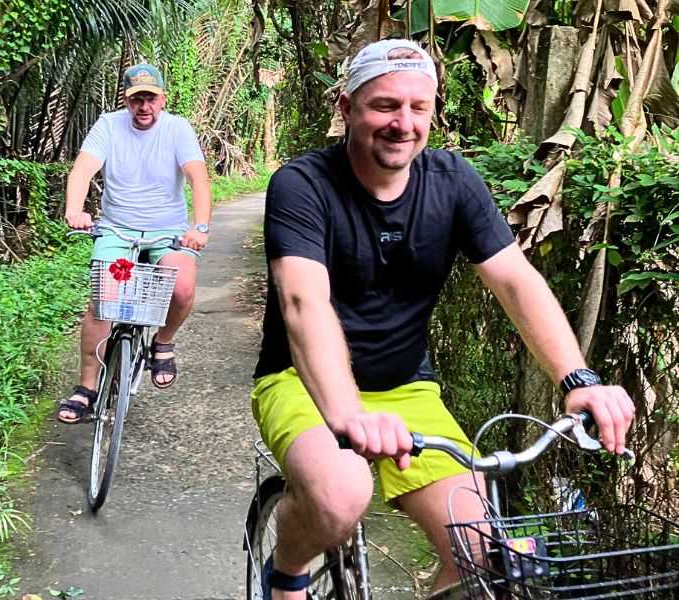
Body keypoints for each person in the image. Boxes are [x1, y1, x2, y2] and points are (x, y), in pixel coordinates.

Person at [250, 39, 635, 599]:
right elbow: (303, 301)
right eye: (384, 105)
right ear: (347, 106)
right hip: (301, 384)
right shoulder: (303, 185)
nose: (402, 123)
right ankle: (286, 571)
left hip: (407, 388)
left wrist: (578, 379)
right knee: (339, 494)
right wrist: (348, 411)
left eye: (418, 107)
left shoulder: (453, 181)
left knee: (480, 550)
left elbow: (515, 280)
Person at [58, 63, 211, 423]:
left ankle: (163, 342)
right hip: (117, 230)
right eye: (137, 99)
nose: (144, 107)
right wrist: (75, 210)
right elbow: (83, 169)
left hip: (168, 233)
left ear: (163, 99)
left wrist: (200, 226)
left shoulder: (177, 129)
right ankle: (86, 387)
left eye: (151, 98)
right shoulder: (109, 127)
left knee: (182, 286)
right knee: (103, 301)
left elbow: (198, 178)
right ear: (127, 101)